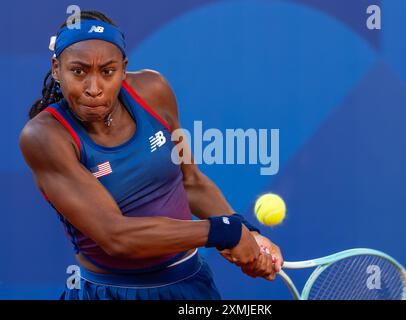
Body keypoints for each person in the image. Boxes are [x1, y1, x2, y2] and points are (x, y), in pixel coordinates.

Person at [19, 10, 283, 300]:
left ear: (123, 68)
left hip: (190, 284)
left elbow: (191, 182)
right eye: (78, 71)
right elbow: (117, 237)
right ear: (56, 69)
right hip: (111, 293)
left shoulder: (153, 90)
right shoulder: (44, 137)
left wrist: (247, 231)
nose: (93, 89)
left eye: (107, 72)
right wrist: (224, 231)